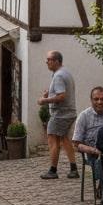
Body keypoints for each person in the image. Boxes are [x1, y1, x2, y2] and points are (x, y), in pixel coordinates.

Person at [38, 51, 78, 179]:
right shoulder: (65, 72)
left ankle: (53, 170)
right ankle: (74, 169)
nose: (46, 62)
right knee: (64, 139)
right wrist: (48, 94)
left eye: (49, 59)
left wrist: (44, 100)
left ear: (56, 61)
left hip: (61, 114)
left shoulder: (59, 75)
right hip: (68, 112)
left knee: (52, 139)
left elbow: (61, 96)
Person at [72, 86, 103, 192]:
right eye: (96, 99)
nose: (100, 102)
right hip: (92, 154)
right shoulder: (84, 116)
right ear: (91, 100)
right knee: (102, 162)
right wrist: (94, 150)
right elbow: (76, 144)